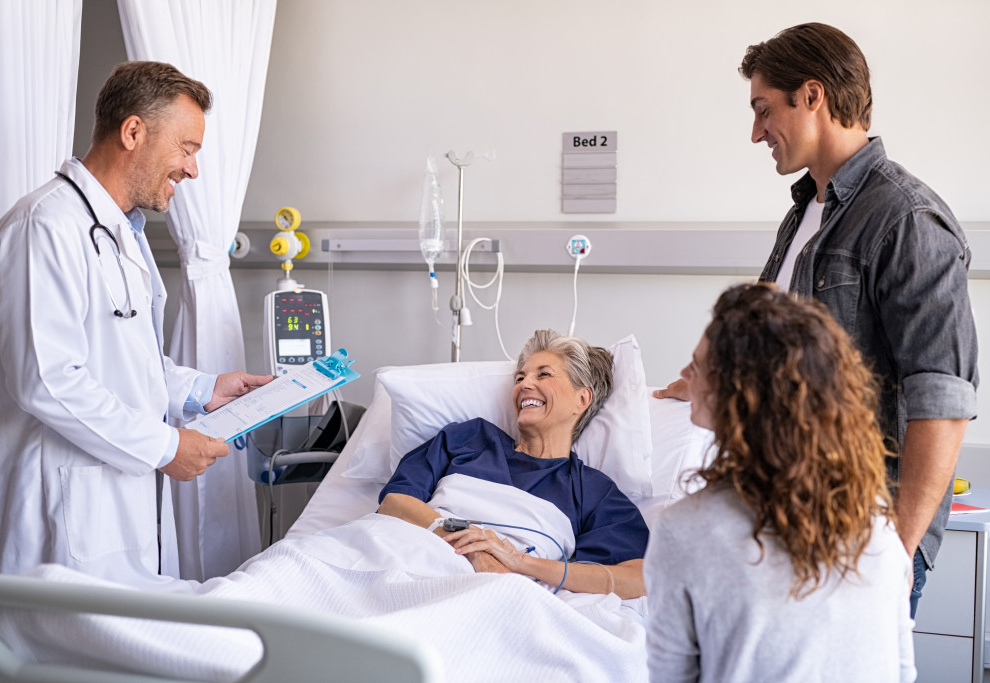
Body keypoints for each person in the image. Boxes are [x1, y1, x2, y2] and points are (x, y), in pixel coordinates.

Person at [654, 23, 978, 615]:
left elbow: (942, 399)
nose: (756, 133)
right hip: (789, 517)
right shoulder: (807, 213)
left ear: (812, 96)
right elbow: (777, 355)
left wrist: (899, 552)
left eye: (762, 109)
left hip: (863, 531)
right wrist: (708, 378)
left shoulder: (906, 218)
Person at [0, 61, 272, 584]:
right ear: (133, 131)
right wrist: (165, 447)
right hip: (54, 512)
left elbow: (123, 357)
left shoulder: (119, 232)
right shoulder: (43, 227)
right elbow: (46, 378)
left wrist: (202, 389)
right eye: (187, 148)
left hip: (114, 503)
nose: (192, 170)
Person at [644, 283, 915, 682]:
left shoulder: (686, 530)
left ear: (739, 397)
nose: (684, 375)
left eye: (697, 366)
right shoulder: (875, 522)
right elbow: (902, 671)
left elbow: (671, 677)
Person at [377, 329, 648, 598]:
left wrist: (520, 562)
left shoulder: (593, 491)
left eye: (543, 374)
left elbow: (639, 579)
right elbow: (395, 502)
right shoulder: (470, 438)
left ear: (582, 399)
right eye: (520, 377)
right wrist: (475, 548)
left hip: (493, 592)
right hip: (406, 555)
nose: (523, 385)